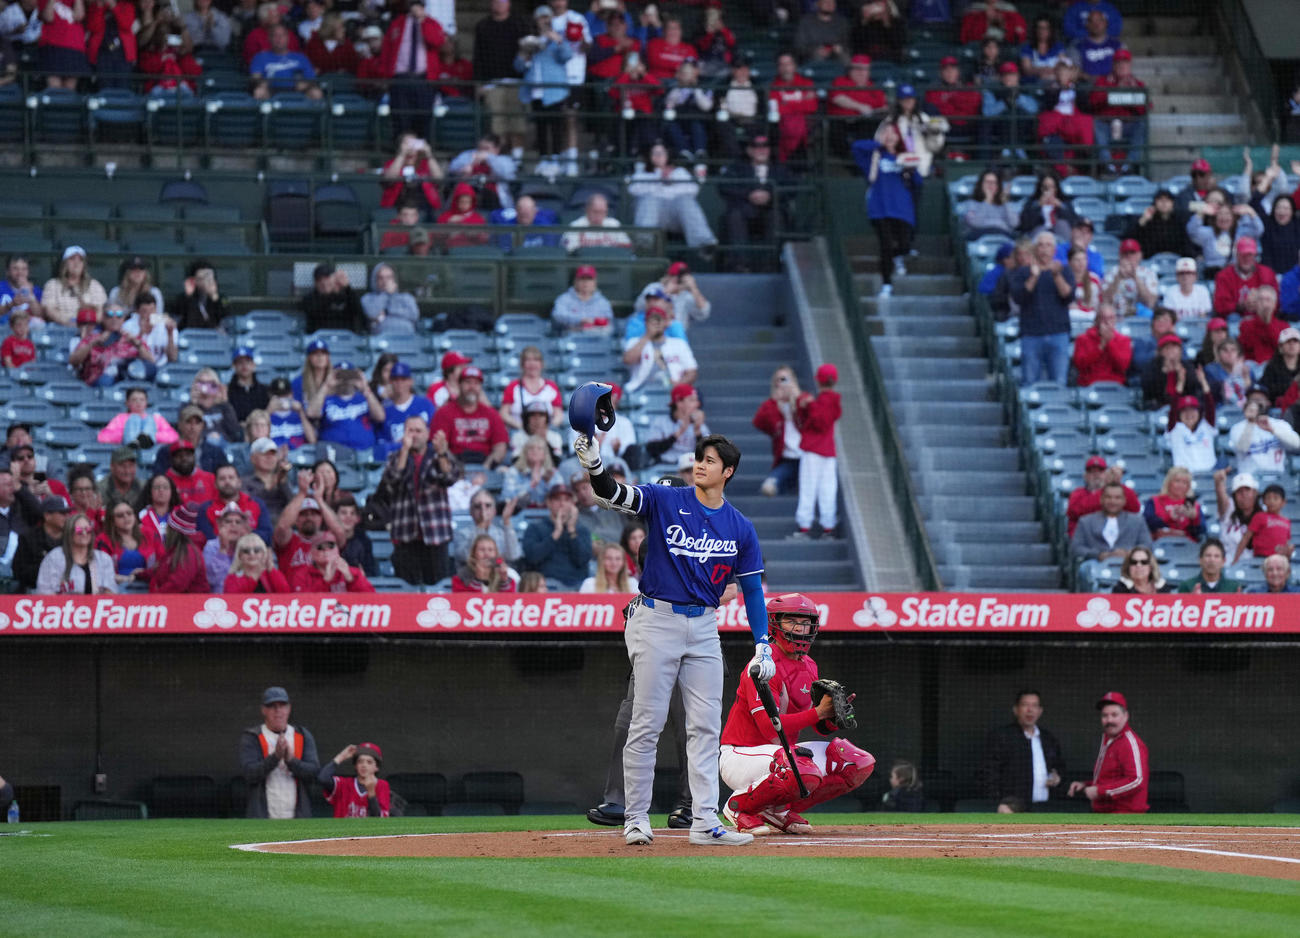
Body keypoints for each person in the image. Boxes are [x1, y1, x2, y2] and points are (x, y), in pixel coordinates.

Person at [572, 430, 771, 847]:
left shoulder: (740, 526)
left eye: (710, 461)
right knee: (647, 723)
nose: (700, 464)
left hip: (703, 626)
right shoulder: (668, 499)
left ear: (728, 472)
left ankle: (704, 821)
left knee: (705, 727)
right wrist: (594, 464)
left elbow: (752, 589)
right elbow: (613, 493)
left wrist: (763, 642)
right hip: (656, 618)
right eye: (699, 458)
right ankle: (636, 818)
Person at [719, 592, 873, 835]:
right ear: (774, 624)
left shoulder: (809, 665)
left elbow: (818, 726)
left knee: (855, 762)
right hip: (741, 755)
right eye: (791, 621)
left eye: (805, 623)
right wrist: (818, 712)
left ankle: (776, 810)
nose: (800, 629)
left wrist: (832, 717)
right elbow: (770, 728)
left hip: (783, 757)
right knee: (800, 765)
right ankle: (738, 808)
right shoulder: (761, 666)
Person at [383, 414, 461, 587]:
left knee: (437, 587)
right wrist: (404, 451)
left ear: (427, 434)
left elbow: (450, 477)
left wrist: (442, 454)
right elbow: (392, 480)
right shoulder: (395, 458)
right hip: (405, 534)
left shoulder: (438, 456)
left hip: (435, 534)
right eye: (410, 431)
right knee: (406, 589)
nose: (414, 435)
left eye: (418, 431)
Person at [852, 121, 925, 296]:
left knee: (905, 245)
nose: (890, 136)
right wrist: (880, 143)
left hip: (902, 208)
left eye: (893, 133)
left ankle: (896, 258)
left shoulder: (904, 157)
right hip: (880, 207)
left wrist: (910, 168)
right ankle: (887, 284)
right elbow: (856, 147)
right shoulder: (874, 156)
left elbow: (918, 182)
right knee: (885, 244)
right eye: (886, 132)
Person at [238, 685, 321, 819]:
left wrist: (291, 760)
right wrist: (275, 757)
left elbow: (314, 773)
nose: (278, 711)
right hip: (263, 816)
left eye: (282, 705)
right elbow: (249, 774)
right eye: (272, 706)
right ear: (264, 710)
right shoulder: (252, 737)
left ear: (289, 709)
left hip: (298, 816)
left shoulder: (302, 735)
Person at [978, 690, 1065, 813]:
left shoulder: (1048, 739)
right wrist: (997, 803)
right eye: (1025, 705)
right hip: (1013, 809)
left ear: (1040, 711)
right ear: (1016, 710)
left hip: (1045, 808)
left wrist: (1057, 777)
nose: (1030, 710)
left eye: (1034, 705)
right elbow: (989, 773)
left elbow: (1059, 767)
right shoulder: (1003, 737)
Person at [1067, 691, 1148, 814]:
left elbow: (1136, 780)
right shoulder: (1108, 739)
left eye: (1114, 715)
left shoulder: (1129, 742)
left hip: (1126, 816)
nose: (1109, 720)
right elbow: (1110, 778)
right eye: (1105, 715)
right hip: (1105, 814)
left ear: (1126, 716)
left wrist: (1099, 791)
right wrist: (1085, 785)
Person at [1012, 231, 1074, 385]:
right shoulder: (1023, 272)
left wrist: (1056, 276)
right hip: (1031, 334)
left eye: (1048, 245)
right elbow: (1019, 298)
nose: (1044, 249)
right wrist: (1033, 276)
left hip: (1058, 333)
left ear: (1054, 250)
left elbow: (1068, 296)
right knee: (1029, 381)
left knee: (1059, 381)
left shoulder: (1064, 270)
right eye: (1040, 245)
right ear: (1034, 249)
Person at [626, 142, 718, 248]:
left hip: (676, 216)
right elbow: (633, 189)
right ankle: (644, 245)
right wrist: (659, 180)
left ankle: (704, 243)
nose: (658, 156)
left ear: (667, 155)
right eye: (655, 153)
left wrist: (671, 182)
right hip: (652, 216)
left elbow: (693, 190)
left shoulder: (679, 172)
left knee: (686, 202)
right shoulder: (643, 173)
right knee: (649, 201)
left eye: (661, 153)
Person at [792, 364, 841, 538]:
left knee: (808, 487)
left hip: (813, 451)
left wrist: (808, 404)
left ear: (817, 380)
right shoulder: (834, 401)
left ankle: (804, 526)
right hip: (828, 452)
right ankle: (828, 526)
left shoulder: (821, 401)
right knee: (828, 488)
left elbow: (819, 422)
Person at [430, 365, 509, 467]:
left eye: (476, 383)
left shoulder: (491, 414)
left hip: (486, 465)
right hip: (453, 465)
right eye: (467, 382)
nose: (472, 387)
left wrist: (485, 469)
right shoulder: (444, 413)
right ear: (459, 384)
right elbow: (439, 445)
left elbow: (500, 446)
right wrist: (455, 469)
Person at [522, 479, 591, 588]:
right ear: (548, 503)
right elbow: (532, 558)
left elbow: (582, 560)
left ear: (573, 504)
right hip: (547, 584)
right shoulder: (535, 528)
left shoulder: (582, 530)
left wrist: (571, 530)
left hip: (577, 584)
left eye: (567, 500)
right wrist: (556, 534)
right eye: (557, 499)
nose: (562, 504)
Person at [34, 512, 117, 595]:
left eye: (88, 529)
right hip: (63, 606)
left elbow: (110, 591)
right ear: (69, 532)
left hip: (97, 606)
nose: (84, 533)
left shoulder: (103, 558)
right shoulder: (54, 558)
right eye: (79, 530)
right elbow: (44, 592)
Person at [622, 306, 698, 394]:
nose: (656, 323)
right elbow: (628, 360)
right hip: (640, 390)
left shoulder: (679, 343)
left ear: (665, 322)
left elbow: (692, 372)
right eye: (652, 320)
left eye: (659, 319)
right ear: (646, 322)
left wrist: (678, 386)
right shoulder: (634, 341)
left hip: (672, 390)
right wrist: (647, 336)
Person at [1071, 482, 1153, 562]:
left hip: (1130, 564)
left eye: (1117, 498)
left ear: (1124, 500)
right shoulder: (1085, 521)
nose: (1112, 501)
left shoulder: (1137, 521)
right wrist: (1099, 555)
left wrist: (1129, 553)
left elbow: (1147, 545)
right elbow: (1076, 548)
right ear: (1101, 499)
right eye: (1108, 497)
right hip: (1095, 563)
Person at [752, 365, 802, 497]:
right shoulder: (773, 405)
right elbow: (759, 421)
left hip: (806, 455)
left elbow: (813, 418)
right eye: (778, 380)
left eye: (785, 379)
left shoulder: (802, 400)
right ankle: (775, 482)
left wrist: (796, 398)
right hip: (787, 457)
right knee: (778, 479)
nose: (782, 384)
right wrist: (774, 401)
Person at [1065, 456, 1139, 538]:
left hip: (1116, 539)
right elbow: (1079, 511)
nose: (1096, 475)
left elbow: (1135, 508)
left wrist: (1117, 484)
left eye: (1100, 471)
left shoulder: (1117, 491)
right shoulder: (1077, 493)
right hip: (1086, 541)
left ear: (1106, 474)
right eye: (1091, 472)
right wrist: (1106, 489)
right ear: (1085, 476)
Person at [1230, 396, 1300, 475]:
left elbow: (1297, 445)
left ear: (1268, 403)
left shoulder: (1280, 424)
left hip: (1276, 477)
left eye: (1260, 398)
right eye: (1254, 398)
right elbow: (1242, 449)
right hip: (1249, 479)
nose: (1257, 402)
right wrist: (1250, 422)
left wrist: (1273, 430)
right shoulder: (1237, 428)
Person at [318, 743, 391, 818]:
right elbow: (323, 778)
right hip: (343, 829)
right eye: (360, 761)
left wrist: (371, 793)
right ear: (355, 766)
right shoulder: (344, 784)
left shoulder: (382, 785)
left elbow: (379, 820)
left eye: (369, 762)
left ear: (376, 767)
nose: (364, 765)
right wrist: (341, 757)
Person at [292, 530, 376, 592]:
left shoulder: (354, 573)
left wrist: (351, 580)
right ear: (311, 554)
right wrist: (325, 581)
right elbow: (304, 605)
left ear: (338, 550)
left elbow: (371, 600)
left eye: (331, 546)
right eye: (320, 547)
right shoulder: (301, 576)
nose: (326, 550)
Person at [1231, 483, 1292, 565]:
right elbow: (1245, 538)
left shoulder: (1286, 521)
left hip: (1279, 560)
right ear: (1263, 501)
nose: (1271, 501)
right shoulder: (1259, 517)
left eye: (1275, 498)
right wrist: (1236, 559)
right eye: (1268, 498)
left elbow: (1286, 543)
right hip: (1261, 559)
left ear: (1283, 502)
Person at [1072, 304, 1131, 387]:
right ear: (1097, 320)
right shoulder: (1082, 339)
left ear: (1115, 320)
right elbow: (1080, 365)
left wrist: (1109, 343)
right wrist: (1100, 346)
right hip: (1088, 384)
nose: (1107, 322)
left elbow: (1123, 366)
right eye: (1103, 318)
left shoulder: (1124, 340)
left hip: (1116, 385)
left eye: (1110, 318)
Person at [299, 264, 367, 334]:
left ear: (334, 279)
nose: (324, 283)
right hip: (320, 338)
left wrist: (347, 288)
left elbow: (359, 312)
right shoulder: (309, 299)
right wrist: (329, 294)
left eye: (327, 278)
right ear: (315, 283)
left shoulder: (347, 296)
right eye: (319, 280)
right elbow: (316, 314)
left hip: (345, 338)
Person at [1102, 240, 1159, 319]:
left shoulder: (1148, 273)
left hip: (1140, 318)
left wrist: (1136, 278)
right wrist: (1117, 278)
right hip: (1115, 316)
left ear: (1140, 255)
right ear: (1120, 255)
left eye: (1132, 252)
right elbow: (1105, 300)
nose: (1129, 256)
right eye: (1125, 253)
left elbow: (1150, 303)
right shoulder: (1112, 272)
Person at [1129, 190, 1193, 259]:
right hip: (1151, 261)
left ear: (1172, 203)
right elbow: (1131, 239)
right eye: (1160, 200)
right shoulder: (1148, 220)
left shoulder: (1179, 221)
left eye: (1167, 200)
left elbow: (1186, 245)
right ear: (1155, 203)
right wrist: (1143, 220)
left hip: (1176, 260)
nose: (1164, 203)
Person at [551, 265, 614, 336]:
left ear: (595, 282)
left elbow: (608, 321)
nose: (585, 282)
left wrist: (592, 323)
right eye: (582, 279)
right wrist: (580, 320)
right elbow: (557, 316)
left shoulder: (602, 302)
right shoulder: (564, 299)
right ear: (575, 281)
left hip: (596, 337)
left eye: (589, 279)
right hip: (570, 338)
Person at [203, 502, 251, 592]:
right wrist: (223, 549)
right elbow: (212, 579)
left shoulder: (249, 548)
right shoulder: (211, 547)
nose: (233, 525)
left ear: (243, 527)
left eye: (238, 522)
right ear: (220, 525)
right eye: (228, 521)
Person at [361, 263, 420, 336]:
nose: (385, 281)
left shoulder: (406, 297)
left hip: (407, 337)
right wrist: (385, 294)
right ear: (375, 280)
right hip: (381, 338)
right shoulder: (367, 298)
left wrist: (387, 311)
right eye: (380, 278)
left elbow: (414, 316)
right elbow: (372, 313)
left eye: (388, 277)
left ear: (394, 279)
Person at [1164, 394, 1217, 474]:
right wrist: (1179, 388)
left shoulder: (1206, 426)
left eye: (1193, 410)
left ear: (1199, 412)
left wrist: (1205, 385)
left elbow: (1210, 407)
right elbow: (1173, 412)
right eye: (1185, 410)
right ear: (1179, 414)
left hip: (1209, 475)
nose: (1189, 414)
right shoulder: (1175, 429)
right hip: (1184, 476)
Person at [223, 533, 291, 593]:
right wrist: (253, 578)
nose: (252, 554)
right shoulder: (233, 577)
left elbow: (285, 592)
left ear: (263, 553)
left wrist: (271, 568)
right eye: (246, 551)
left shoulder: (270, 573)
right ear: (240, 555)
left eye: (257, 550)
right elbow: (233, 597)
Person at [961, 170, 1019, 240]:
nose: (990, 185)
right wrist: (987, 201)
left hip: (1003, 234)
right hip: (980, 234)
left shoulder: (1007, 204)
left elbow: (1014, 224)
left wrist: (1005, 202)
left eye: (994, 182)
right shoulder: (971, 203)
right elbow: (976, 224)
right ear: (981, 185)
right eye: (987, 182)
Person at [172, 259, 227, 331]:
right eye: (204, 278)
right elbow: (188, 323)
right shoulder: (183, 299)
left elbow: (226, 320)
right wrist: (190, 298)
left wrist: (215, 299)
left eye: (211, 278)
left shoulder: (221, 299)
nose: (208, 281)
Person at [451, 532, 516, 592]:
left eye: (490, 550)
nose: (486, 554)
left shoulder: (507, 575)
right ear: (474, 553)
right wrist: (478, 579)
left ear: (496, 554)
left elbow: (509, 601)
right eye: (482, 550)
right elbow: (463, 601)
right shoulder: (461, 577)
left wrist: (504, 581)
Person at [1177, 537, 1242, 593]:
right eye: (1208, 555)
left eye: (1216, 556)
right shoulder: (1187, 585)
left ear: (1223, 561)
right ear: (1200, 560)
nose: (1212, 560)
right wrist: (1193, 599)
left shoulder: (1234, 587)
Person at [1111, 547, 1175, 594]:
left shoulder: (1162, 587)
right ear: (1128, 566)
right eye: (1134, 562)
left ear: (1151, 566)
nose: (1138, 565)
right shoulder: (1120, 589)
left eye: (1144, 562)